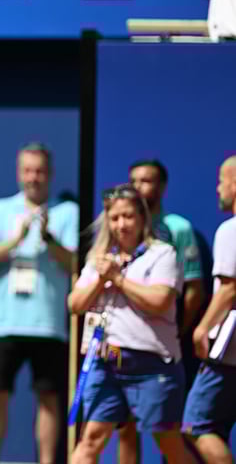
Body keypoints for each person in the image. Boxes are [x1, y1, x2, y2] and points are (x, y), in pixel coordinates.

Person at [68, 183, 192, 464]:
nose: (121, 225)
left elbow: (159, 301)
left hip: (152, 364)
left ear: (142, 218)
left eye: (128, 216)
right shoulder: (99, 259)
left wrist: (119, 279)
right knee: (90, 439)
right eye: (114, 218)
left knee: (169, 443)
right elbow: (75, 305)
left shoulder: (162, 254)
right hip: (106, 361)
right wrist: (101, 280)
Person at [0, 142, 78, 464]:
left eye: (40, 171)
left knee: (48, 397)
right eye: (28, 171)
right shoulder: (0, 209)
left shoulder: (67, 212)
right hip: (4, 322)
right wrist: (16, 239)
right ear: (19, 173)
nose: (33, 177)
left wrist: (48, 238)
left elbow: (74, 264)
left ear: (50, 173)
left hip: (47, 323)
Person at [117, 159, 206, 464]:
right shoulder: (122, 227)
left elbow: (194, 290)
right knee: (125, 426)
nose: (138, 187)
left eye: (146, 181)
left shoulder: (179, 229)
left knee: (168, 430)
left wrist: (179, 331)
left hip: (164, 348)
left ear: (162, 186)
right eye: (133, 181)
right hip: (124, 342)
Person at [182, 155, 236, 464]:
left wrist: (202, 328)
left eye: (221, 180)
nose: (217, 189)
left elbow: (229, 288)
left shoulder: (230, 230)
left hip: (228, 353)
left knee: (197, 425)